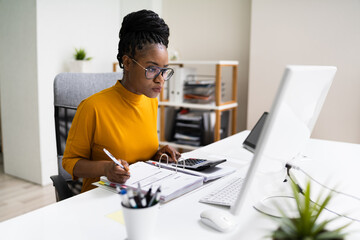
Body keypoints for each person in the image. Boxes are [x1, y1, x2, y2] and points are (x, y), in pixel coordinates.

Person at [62, 9, 180, 193]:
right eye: (151, 69)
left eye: (164, 70)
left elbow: (137, 153)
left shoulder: (150, 101)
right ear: (128, 62)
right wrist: (105, 169)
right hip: (100, 198)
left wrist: (157, 154)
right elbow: (70, 162)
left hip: (141, 194)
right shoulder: (92, 107)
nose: (161, 79)